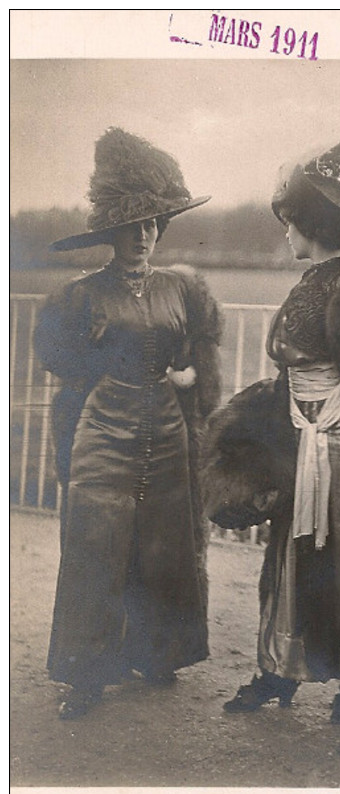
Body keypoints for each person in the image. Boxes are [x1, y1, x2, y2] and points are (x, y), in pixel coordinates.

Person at [215, 115, 340, 722]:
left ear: (311, 225)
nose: (286, 233)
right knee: (289, 554)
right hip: (301, 437)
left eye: (290, 222)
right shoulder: (313, 281)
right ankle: (280, 669)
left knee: (337, 556)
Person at [35, 127, 223, 719]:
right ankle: (85, 677)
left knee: (165, 540)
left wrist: (183, 377)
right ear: (111, 231)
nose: (142, 238)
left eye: (151, 226)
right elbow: (57, 359)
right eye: (131, 227)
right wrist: (99, 365)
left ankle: (156, 651)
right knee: (96, 543)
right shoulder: (80, 296)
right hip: (104, 429)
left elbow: (191, 350)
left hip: (165, 429)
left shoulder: (178, 290)